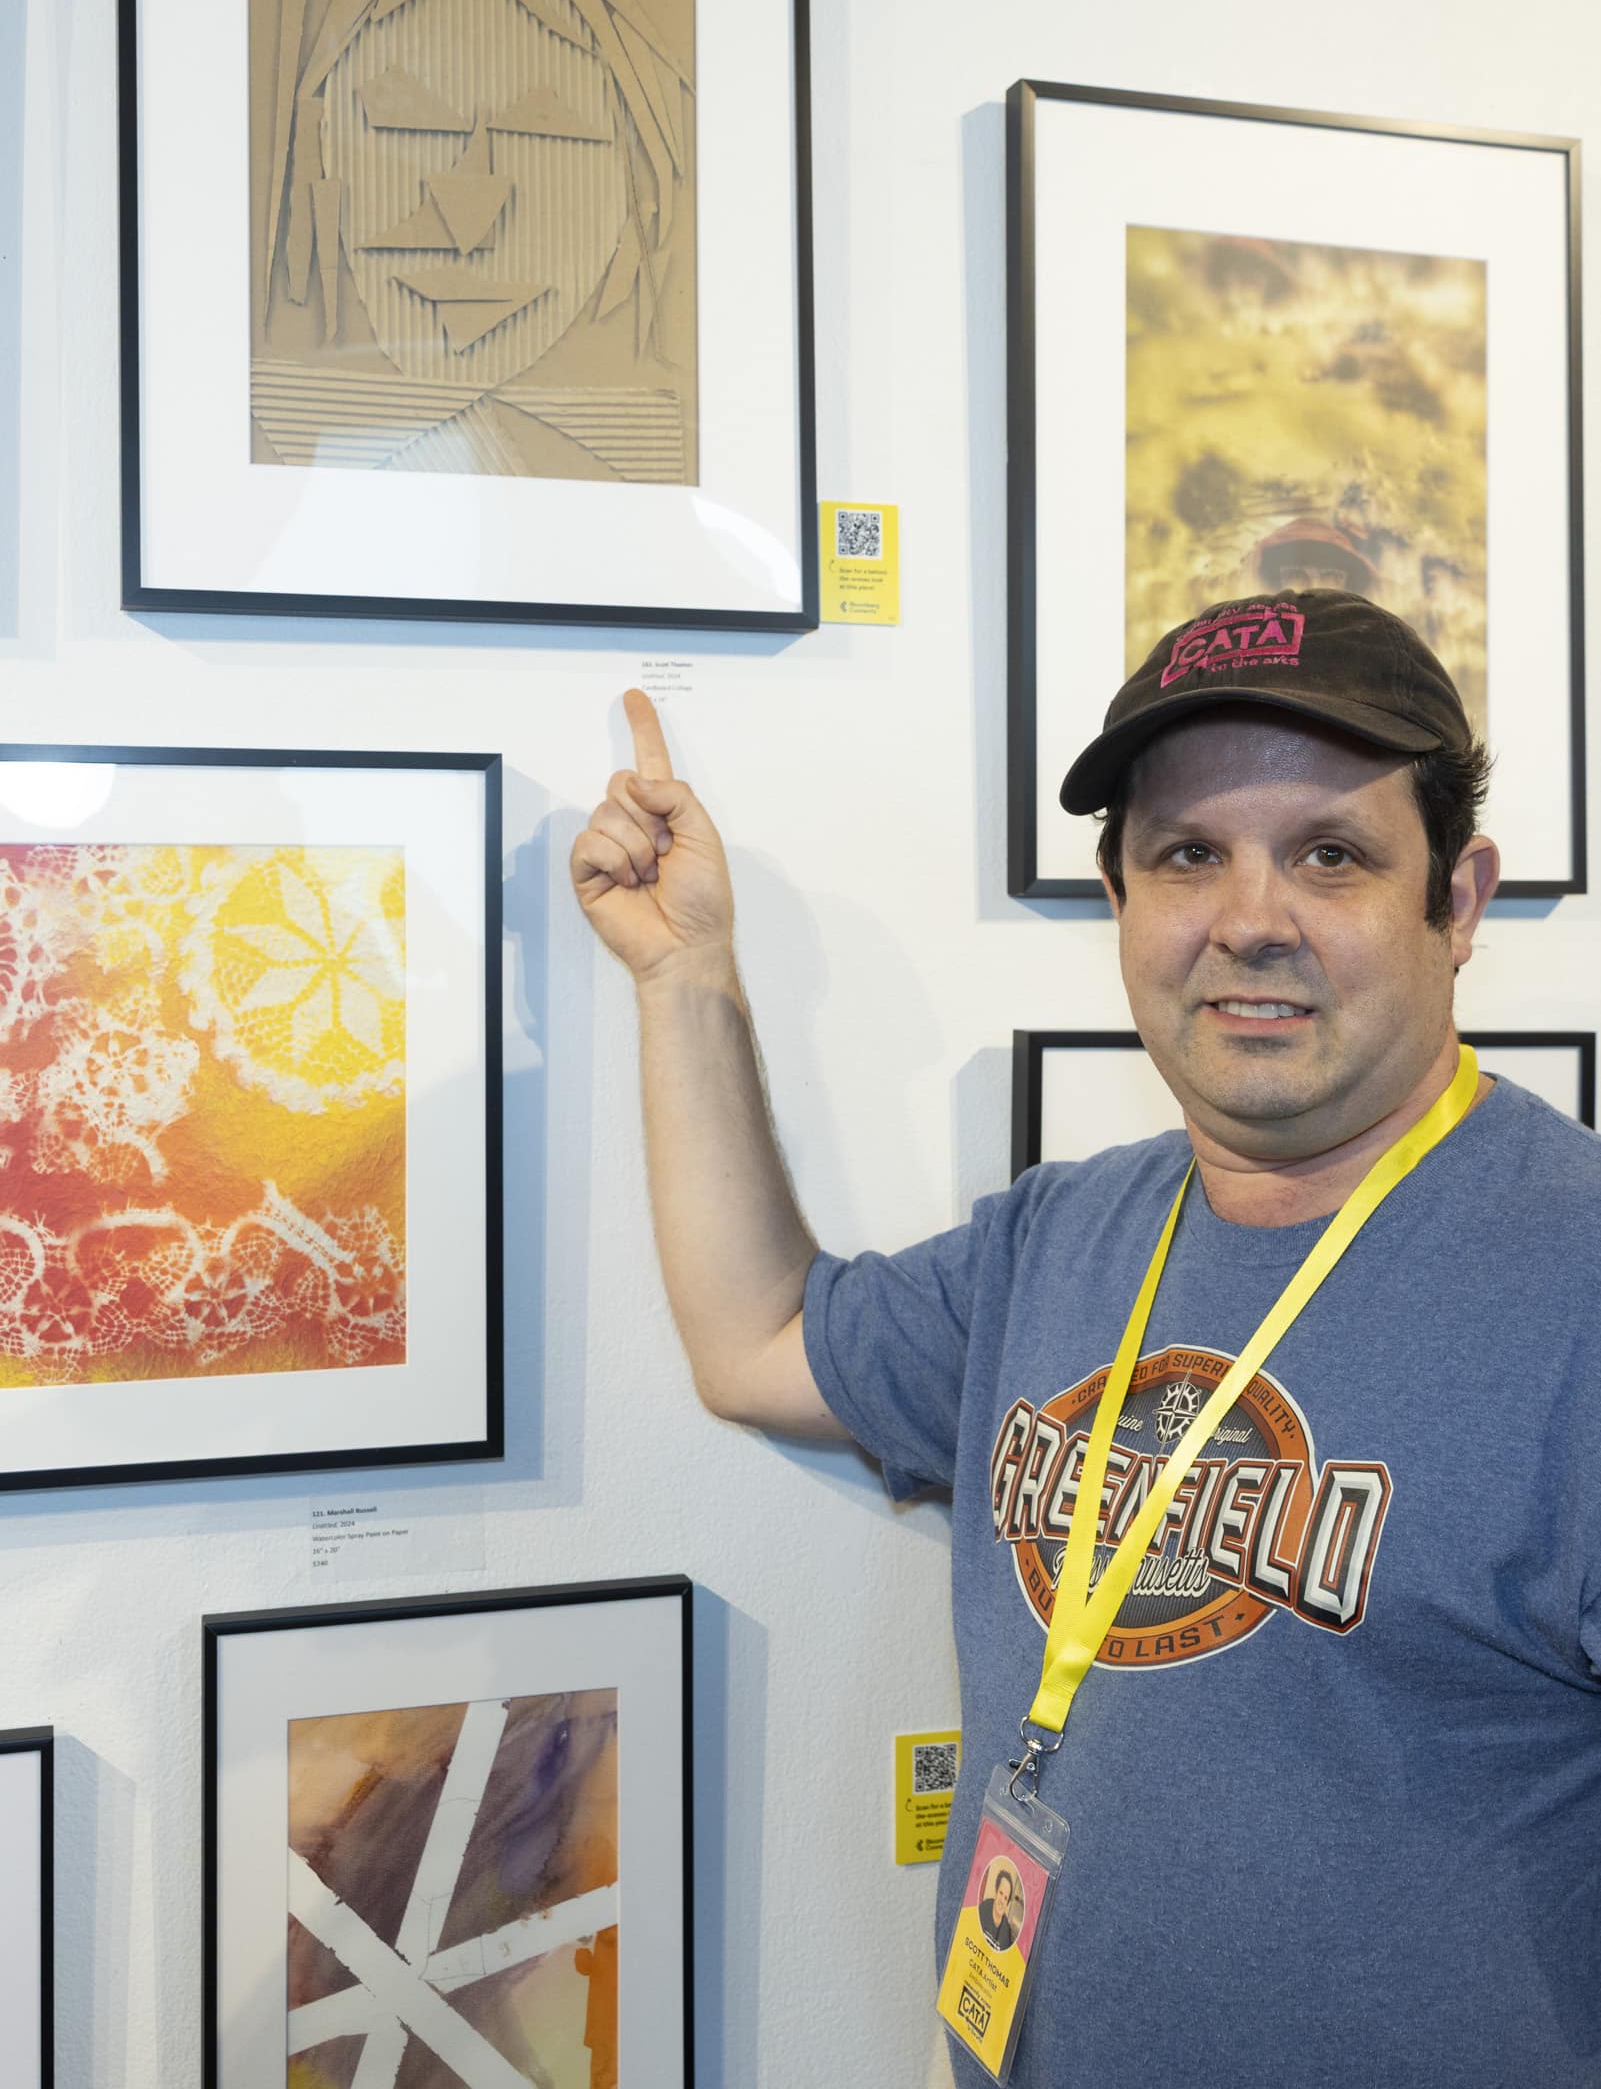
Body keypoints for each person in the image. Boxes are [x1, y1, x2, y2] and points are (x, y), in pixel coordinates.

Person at [572, 589, 1601, 2088]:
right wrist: (686, 982)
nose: (1250, 918)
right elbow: (757, 1337)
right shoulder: (1060, 1239)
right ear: (1120, 899)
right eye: (1188, 854)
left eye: (1329, 853)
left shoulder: (1573, 1279)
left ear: (1455, 901)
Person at [976, 1863, 1021, 1955]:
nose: (1002, 1901)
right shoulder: (983, 1909)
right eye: (1001, 1893)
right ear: (996, 1892)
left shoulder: (1006, 1931)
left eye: (1005, 1898)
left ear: (1007, 1903)